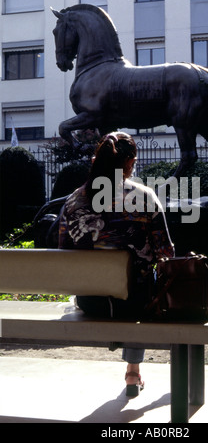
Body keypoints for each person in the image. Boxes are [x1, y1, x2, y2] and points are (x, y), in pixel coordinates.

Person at [58, 131, 175, 397]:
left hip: (91, 301)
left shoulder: (74, 200)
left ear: (96, 161)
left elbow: (63, 252)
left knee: (139, 282)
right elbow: (165, 253)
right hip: (135, 302)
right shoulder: (145, 197)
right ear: (130, 163)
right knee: (144, 281)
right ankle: (133, 372)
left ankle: (133, 371)